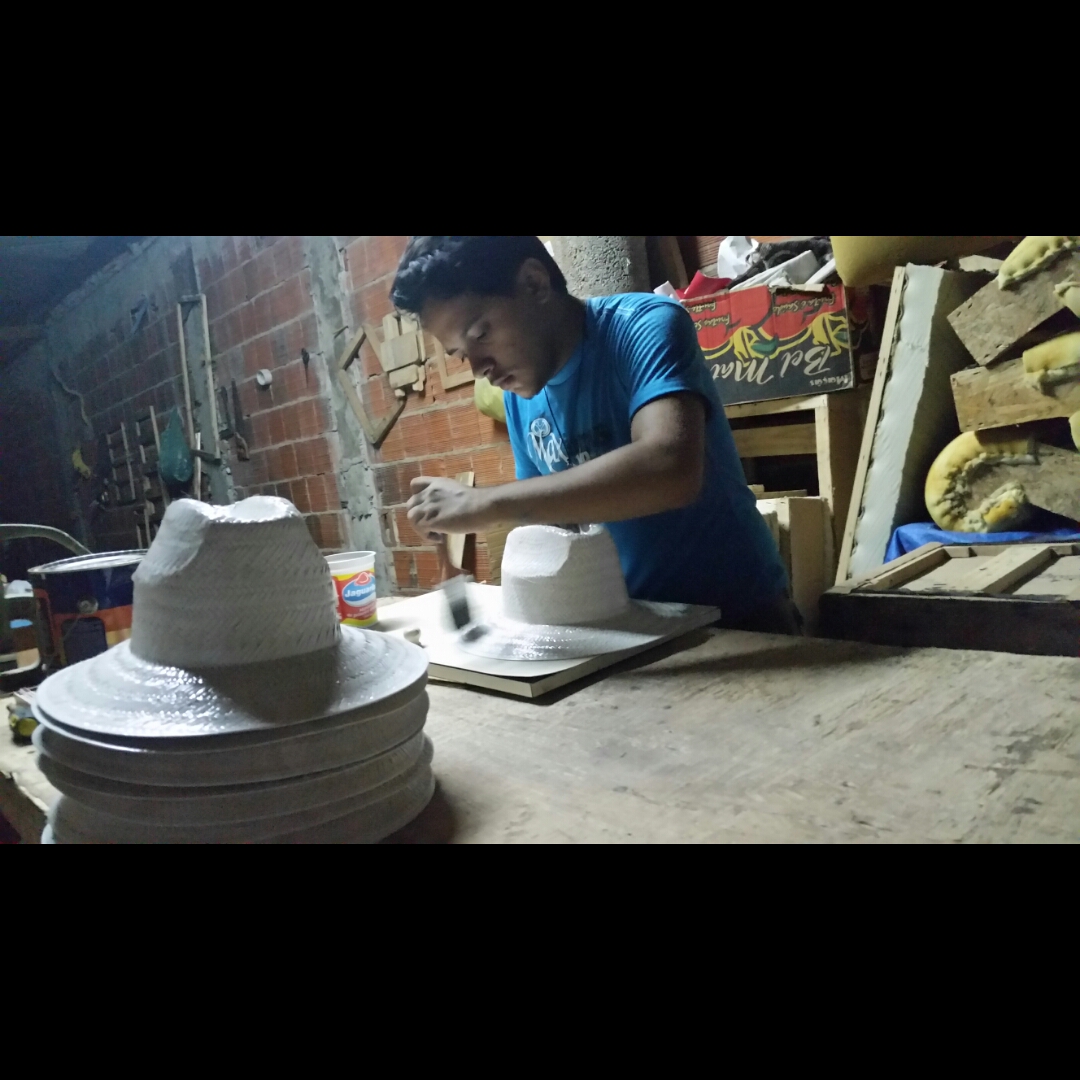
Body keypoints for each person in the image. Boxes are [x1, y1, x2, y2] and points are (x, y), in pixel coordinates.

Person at [390, 235, 800, 635]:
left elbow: (670, 468)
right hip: (631, 626)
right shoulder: (519, 400)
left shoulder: (644, 325)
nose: (479, 369)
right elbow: (550, 521)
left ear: (534, 283)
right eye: (462, 354)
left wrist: (484, 503)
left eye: (481, 334)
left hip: (739, 619)